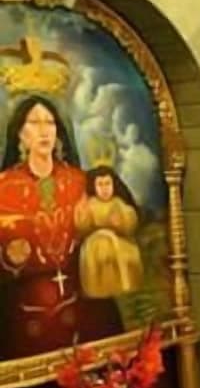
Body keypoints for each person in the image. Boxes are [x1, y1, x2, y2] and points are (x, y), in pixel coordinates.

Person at [0, 96, 123, 359]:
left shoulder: (78, 181)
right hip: (26, 310)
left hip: (81, 303)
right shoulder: (4, 186)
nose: (44, 130)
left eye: (50, 123)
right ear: (20, 134)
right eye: (34, 123)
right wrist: (10, 259)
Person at [74, 165, 144, 298]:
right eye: (100, 184)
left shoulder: (119, 203)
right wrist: (85, 216)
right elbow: (82, 226)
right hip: (95, 247)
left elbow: (130, 220)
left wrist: (121, 222)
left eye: (107, 184)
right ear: (94, 186)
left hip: (120, 243)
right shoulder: (90, 204)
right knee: (101, 261)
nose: (104, 189)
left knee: (127, 259)